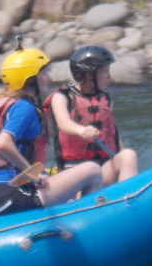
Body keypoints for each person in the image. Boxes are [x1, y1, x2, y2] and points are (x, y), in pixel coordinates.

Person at [0, 45, 103, 217]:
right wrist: (31, 174)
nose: (48, 78)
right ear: (29, 80)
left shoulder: (7, 102)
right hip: (12, 194)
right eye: (43, 74)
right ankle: (91, 224)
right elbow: (3, 143)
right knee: (92, 170)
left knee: (69, 197)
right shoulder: (24, 108)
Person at [46, 45, 138, 186]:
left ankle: (128, 197)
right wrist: (81, 130)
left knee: (128, 155)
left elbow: (112, 133)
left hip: (103, 168)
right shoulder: (62, 97)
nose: (109, 77)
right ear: (89, 75)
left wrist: (125, 158)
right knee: (92, 169)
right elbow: (63, 122)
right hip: (75, 171)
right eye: (104, 72)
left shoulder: (105, 98)